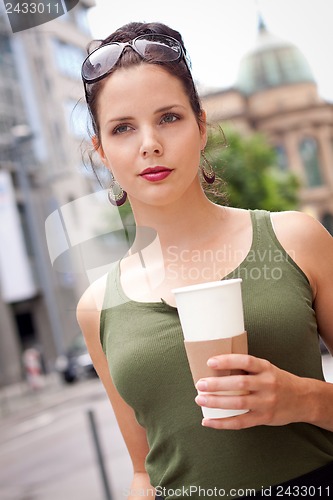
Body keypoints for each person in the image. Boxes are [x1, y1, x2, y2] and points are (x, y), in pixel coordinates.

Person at [76, 21, 333, 499]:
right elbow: (143, 473)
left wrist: (302, 399)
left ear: (200, 124)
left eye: (169, 117)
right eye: (123, 127)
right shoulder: (96, 306)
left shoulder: (297, 238)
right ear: (102, 151)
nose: (149, 142)